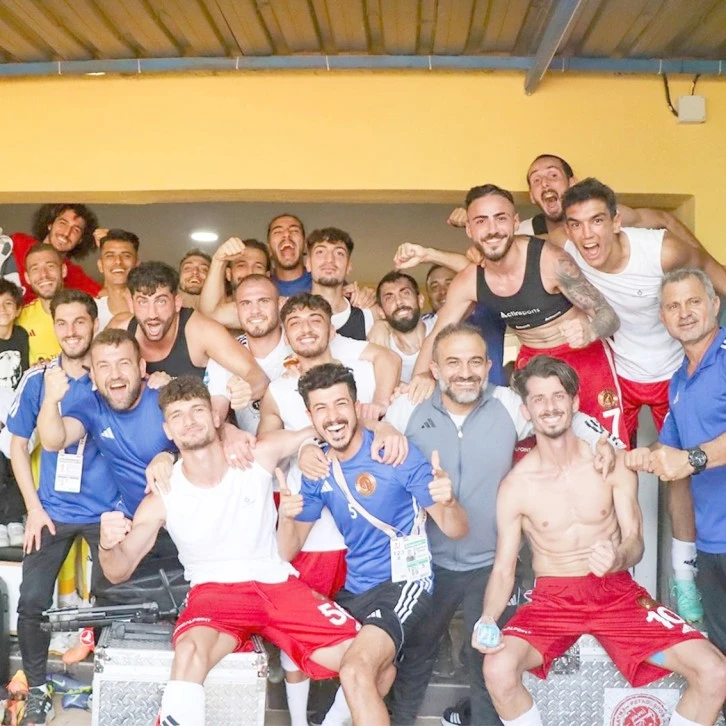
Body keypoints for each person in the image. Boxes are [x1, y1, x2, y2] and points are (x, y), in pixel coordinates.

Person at [384, 323, 620, 726]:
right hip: (426, 564)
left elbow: (562, 416)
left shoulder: (508, 404)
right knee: (414, 656)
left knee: (487, 663)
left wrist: (603, 442)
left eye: (475, 361)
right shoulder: (409, 406)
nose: (465, 372)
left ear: (489, 366)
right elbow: (376, 435)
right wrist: (384, 426)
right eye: (453, 362)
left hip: (491, 565)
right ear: (434, 369)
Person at [473, 355, 726, 726]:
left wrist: (617, 558)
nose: (549, 407)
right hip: (552, 601)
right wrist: (487, 617)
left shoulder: (612, 464)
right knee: (497, 669)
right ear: (526, 410)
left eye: (558, 396)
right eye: (539, 399)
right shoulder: (515, 486)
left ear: (575, 402)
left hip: (616, 595)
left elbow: (635, 541)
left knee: (715, 672)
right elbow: (502, 569)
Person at [97, 376, 361, 726]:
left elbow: (319, 430)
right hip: (214, 593)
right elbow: (118, 569)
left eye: (197, 410)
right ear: (168, 431)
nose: (189, 421)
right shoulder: (163, 496)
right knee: (190, 650)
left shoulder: (256, 454)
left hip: (277, 584)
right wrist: (106, 544)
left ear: (215, 416)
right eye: (177, 416)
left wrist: (309, 447)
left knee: (368, 659)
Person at [561, 178, 726, 621]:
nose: (587, 234)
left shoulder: (663, 251)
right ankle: (620, 582)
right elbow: (511, 253)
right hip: (621, 373)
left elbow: (706, 267)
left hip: (673, 372)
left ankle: (683, 578)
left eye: (597, 220)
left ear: (616, 221)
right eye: (576, 224)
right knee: (609, 469)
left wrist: (688, 459)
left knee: (682, 472)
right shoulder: (565, 255)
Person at [277, 363, 469, 726]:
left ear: (356, 406)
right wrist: (286, 516)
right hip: (355, 589)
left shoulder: (392, 451)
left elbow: (455, 528)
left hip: (404, 583)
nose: (333, 417)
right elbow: (288, 550)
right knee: (347, 665)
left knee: (356, 670)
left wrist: (449, 501)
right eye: (321, 408)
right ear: (310, 417)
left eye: (340, 404)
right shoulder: (318, 468)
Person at [407, 184, 624, 441]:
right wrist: (421, 376)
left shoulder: (550, 261)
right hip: (533, 365)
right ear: (469, 229)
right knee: (543, 447)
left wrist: (590, 330)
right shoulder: (469, 281)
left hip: (583, 357)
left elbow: (609, 316)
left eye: (500, 218)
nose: (492, 229)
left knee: (605, 445)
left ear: (515, 222)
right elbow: (437, 335)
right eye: (481, 221)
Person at [7, 290, 118, 726]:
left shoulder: (110, 373)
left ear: (95, 324)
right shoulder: (39, 379)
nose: (71, 331)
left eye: (80, 321)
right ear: (53, 327)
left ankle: (105, 681)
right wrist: (33, 508)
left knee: (113, 599)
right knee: (32, 601)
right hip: (51, 509)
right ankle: (37, 687)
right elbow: (18, 447)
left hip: (106, 511)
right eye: (62, 323)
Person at [627, 268, 726, 710]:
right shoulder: (680, 381)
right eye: (673, 306)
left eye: (693, 302)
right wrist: (631, 456)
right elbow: (669, 449)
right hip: (711, 545)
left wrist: (694, 459)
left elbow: (687, 457)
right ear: (663, 318)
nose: (684, 313)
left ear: (715, 305)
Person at [207, 281, 401, 433]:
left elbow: (388, 358)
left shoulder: (356, 365)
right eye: (246, 303)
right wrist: (229, 431)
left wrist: (380, 406)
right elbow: (261, 443)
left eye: (264, 301)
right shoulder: (227, 355)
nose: (255, 310)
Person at [109, 261, 267, 399]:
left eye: (161, 301)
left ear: (177, 303)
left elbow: (257, 377)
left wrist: (243, 392)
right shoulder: (119, 330)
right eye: (143, 302)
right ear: (131, 304)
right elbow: (97, 378)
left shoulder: (201, 331)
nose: (152, 314)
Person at [11, 204, 101, 304]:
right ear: (50, 224)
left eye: (76, 230)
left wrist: (108, 243)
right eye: (63, 223)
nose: (66, 233)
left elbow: (104, 297)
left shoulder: (75, 275)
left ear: (80, 240)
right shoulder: (18, 242)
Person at [306, 227, 375, 341]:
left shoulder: (368, 317)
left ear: (349, 266)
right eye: (320, 252)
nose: (329, 259)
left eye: (339, 253)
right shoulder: (289, 314)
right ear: (308, 264)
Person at [0, 279, 29, 547]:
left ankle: (14, 520)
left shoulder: (22, 336)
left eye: (8, 303)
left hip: (16, 412)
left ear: (18, 309)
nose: (3, 309)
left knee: (16, 465)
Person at [367, 271, 436, 383]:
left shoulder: (442, 326)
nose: (399, 301)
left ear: (420, 300)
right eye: (389, 298)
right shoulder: (380, 346)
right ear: (381, 312)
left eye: (405, 293)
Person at [197, 236, 273, 326]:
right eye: (241, 265)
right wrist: (218, 260)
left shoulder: (278, 306)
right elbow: (209, 314)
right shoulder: (222, 311)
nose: (250, 272)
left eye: (258, 267)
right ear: (228, 274)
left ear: (267, 276)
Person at [18, 243, 66, 365]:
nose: (44, 275)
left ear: (63, 270)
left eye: (50, 266)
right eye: (35, 269)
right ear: (27, 278)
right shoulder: (18, 318)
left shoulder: (87, 310)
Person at [95, 229, 139, 330]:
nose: (118, 261)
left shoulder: (151, 309)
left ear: (136, 264)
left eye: (126, 256)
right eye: (110, 256)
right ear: (100, 265)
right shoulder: (89, 311)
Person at [267, 213, 312, 296]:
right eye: (278, 232)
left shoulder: (321, 281)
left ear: (305, 245)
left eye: (294, 231)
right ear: (269, 249)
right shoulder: (262, 287)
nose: (287, 234)